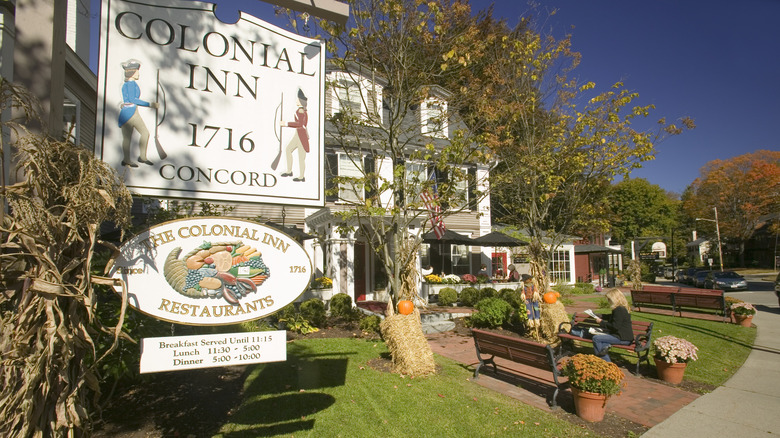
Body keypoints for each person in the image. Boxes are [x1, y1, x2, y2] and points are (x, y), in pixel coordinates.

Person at [118, 59, 159, 168]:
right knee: (129, 137)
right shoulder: (130, 84)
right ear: (131, 72)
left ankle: (141, 157)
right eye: (137, 71)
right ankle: (128, 159)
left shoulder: (130, 84)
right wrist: (150, 104)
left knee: (143, 133)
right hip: (129, 113)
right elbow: (133, 99)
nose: (138, 73)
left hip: (132, 112)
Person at [591, 288, 634, 362]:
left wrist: (601, 322)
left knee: (596, 338)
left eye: (609, 299)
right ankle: (603, 362)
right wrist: (600, 315)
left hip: (622, 338)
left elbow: (615, 326)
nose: (608, 301)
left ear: (614, 299)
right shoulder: (621, 308)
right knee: (603, 344)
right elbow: (612, 317)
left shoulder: (619, 310)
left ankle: (607, 363)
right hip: (621, 336)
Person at [280, 88, 310, 182]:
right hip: (298, 134)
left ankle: (301, 176)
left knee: (301, 157)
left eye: (298, 99)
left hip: (301, 135)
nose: (296, 100)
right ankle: (289, 171)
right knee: (288, 149)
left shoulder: (301, 111)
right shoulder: (299, 111)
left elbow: (300, 124)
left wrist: (286, 124)